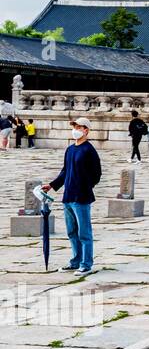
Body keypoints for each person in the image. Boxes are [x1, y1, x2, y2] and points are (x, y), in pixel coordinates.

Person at [43, 117, 102, 274]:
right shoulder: (70, 149)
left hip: (81, 197)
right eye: (74, 126)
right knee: (71, 232)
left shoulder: (89, 150)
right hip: (68, 197)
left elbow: (97, 174)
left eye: (78, 126)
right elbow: (65, 171)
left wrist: (85, 186)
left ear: (86, 130)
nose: (75, 129)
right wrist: (52, 185)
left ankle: (86, 264)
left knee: (84, 233)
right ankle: (75, 261)